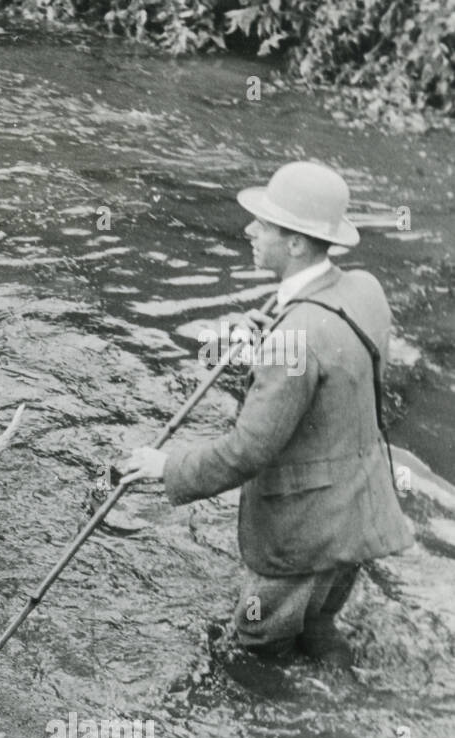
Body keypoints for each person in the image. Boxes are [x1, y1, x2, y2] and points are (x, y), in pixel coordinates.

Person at [119, 161, 413, 666]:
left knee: (256, 644)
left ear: (297, 243)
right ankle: (338, 696)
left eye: (265, 224)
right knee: (319, 622)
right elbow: (335, 369)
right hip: (360, 517)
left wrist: (165, 466)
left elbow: (246, 451)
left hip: (299, 540)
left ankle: (302, 726)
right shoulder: (365, 289)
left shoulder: (292, 338)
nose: (250, 230)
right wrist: (275, 335)